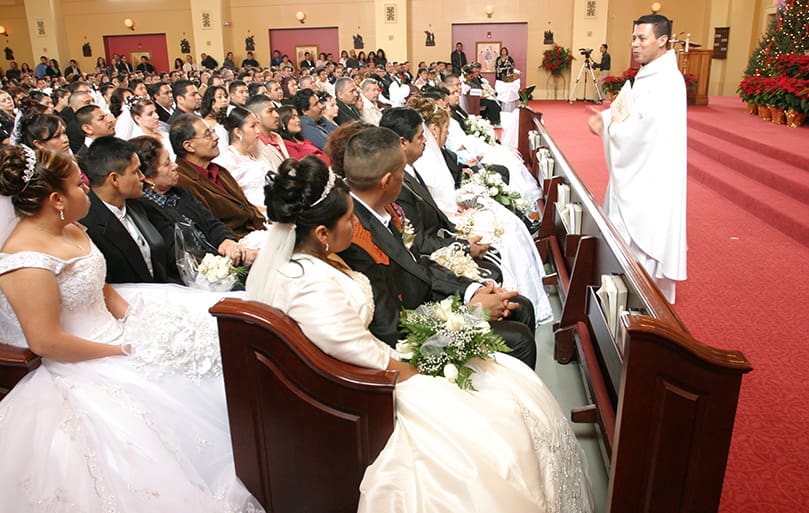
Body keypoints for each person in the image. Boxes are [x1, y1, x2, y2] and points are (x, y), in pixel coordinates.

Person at [245, 154, 593, 513]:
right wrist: (434, 361)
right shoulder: (313, 290)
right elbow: (375, 358)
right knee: (504, 410)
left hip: (376, 365)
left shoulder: (312, 263)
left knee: (508, 382)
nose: (355, 225)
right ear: (321, 234)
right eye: (349, 219)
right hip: (374, 386)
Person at [0, 145, 261, 511]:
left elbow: (101, 290)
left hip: (119, 335)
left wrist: (137, 321)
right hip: (81, 363)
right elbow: (46, 341)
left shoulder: (70, 227)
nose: (86, 191)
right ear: (57, 198)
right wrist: (120, 350)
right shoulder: (24, 260)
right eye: (79, 185)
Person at [586, 13, 687, 303]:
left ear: (663, 39)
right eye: (634, 38)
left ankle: (644, 296)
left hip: (650, 174)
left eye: (642, 38)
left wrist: (608, 125)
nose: (635, 44)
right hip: (639, 168)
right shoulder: (650, 72)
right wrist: (607, 117)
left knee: (645, 234)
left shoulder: (667, 80)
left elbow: (642, 130)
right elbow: (631, 112)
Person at [130, 135, 256, 266]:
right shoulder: (147, 209)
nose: (175, 166)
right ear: (148, 178)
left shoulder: (180, 192)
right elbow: (179, 255)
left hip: (218, 259)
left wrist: (227, 241)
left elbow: (211, 223)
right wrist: (225, 260)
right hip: (198, 271)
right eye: (167, 164)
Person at [170, 113, 266, 239]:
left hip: (256, 232)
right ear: (189, 146)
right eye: (208, 134)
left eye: (213, 131)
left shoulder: (218, 170)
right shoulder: (182, 181)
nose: (216, 137)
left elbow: (246, 206)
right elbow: (210, 226)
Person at [212, 107, 270, 209]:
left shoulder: (255, 152)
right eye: (252, 126)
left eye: (257, 125)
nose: (258, 131)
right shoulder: (226, 160)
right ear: (238, 132)